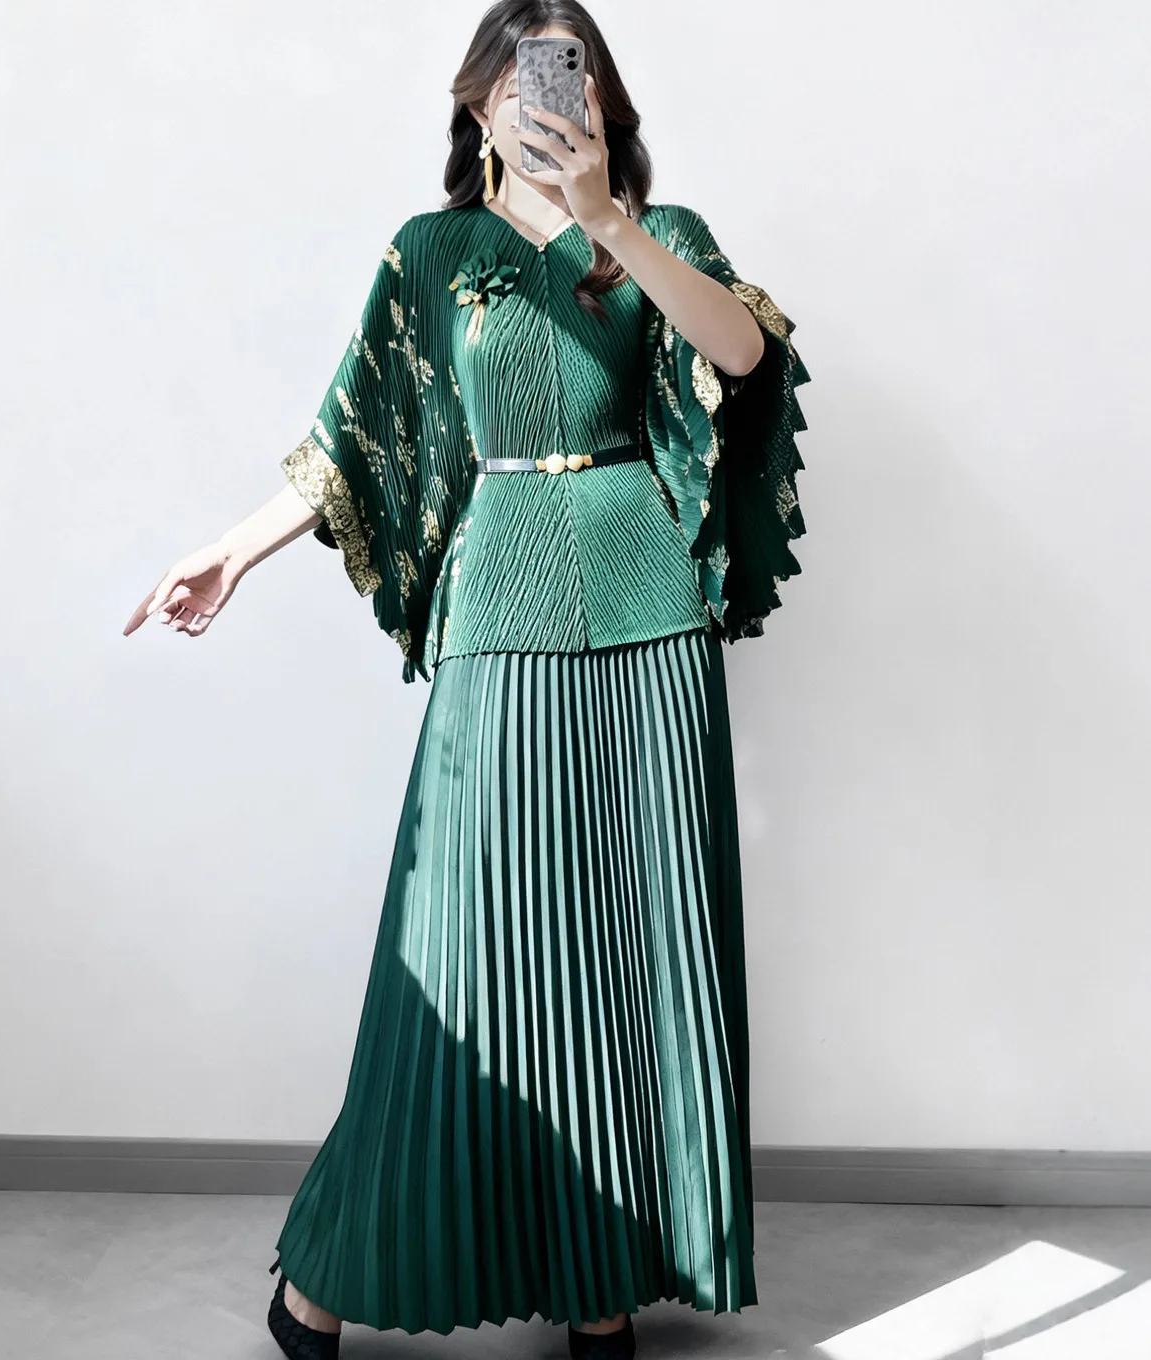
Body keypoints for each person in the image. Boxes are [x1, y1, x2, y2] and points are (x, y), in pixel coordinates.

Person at [123, 3, 810, 1355]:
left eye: (572, 77)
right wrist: (233, 552)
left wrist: (609, 223)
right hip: (499, 611)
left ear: (602, 101)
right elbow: (350, 433)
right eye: (521, 79)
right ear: (479, 102)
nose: (546, 99)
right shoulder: (432, 253)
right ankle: (326, 1280)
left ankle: (601, 1284)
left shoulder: (662, 237)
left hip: (649, 618)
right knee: (458, 956)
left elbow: (743, 357)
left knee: (628, 955)